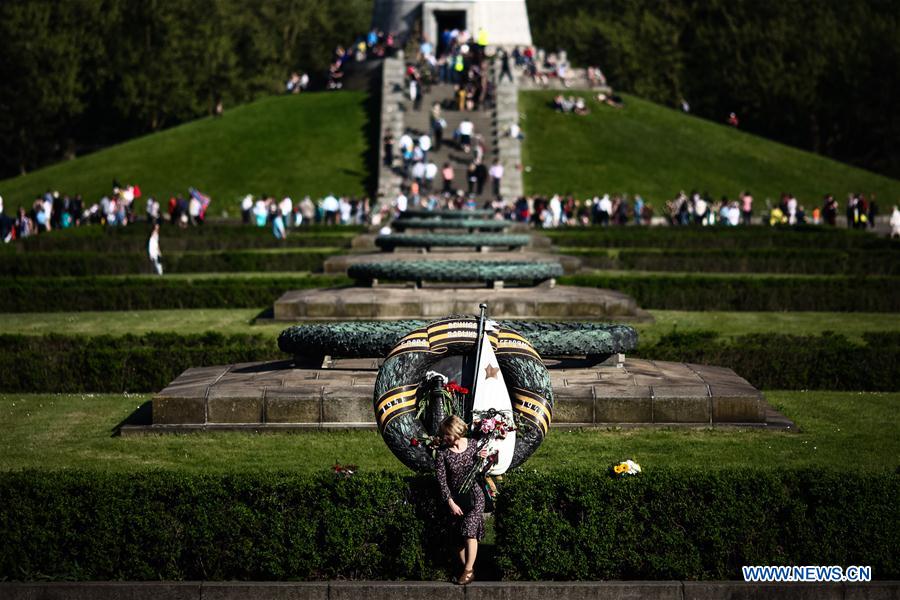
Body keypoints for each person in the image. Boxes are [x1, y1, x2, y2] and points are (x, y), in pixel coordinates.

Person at [435, 415, 489, 585]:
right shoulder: (442, 454)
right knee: (458, 538)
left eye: (447, 434)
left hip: (475, 495)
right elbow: (442, 481)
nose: (444, 438)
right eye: (443, 435)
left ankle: (467, 571)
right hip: (456, 498)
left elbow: (482, 470)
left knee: (469, 528)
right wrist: (450, 502)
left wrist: (483, 458)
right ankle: (467, 570)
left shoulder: (473, 445)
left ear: (456, 432)